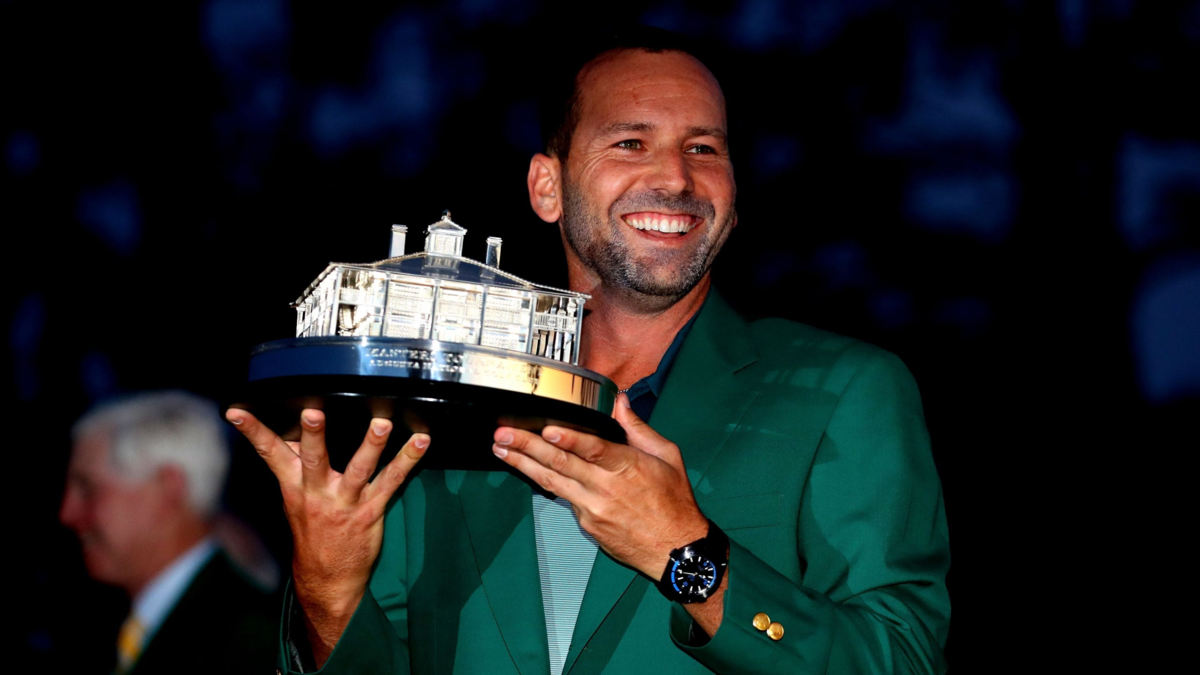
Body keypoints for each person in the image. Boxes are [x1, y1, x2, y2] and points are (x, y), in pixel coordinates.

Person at [228, 27, 950, 674]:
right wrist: (328, 589)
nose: (675, 177)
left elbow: (903, 659)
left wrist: (688, 553)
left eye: (704, 148)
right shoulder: (438, 413)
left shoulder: (844, 391)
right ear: (547, 187)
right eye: (630, 143)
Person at [61, 390, 277, 674]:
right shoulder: (113, 623)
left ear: (167, 489)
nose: (67, 513)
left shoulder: (247, 640)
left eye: (88, 489)